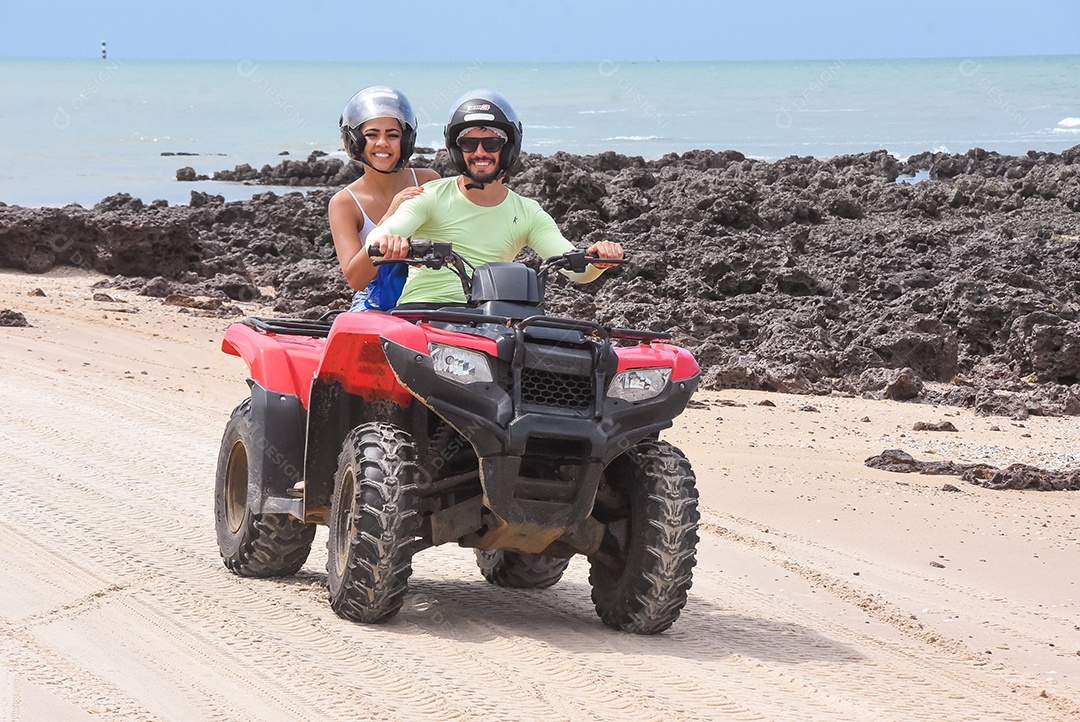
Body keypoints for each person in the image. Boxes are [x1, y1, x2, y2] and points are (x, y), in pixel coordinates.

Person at [367, 89, 622, 307]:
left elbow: (577, 270)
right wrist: (389, 241)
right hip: (425, 316)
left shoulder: (528, 212)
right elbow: (378, 237)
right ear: (457, 150)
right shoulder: (429, 196)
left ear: (508, 147)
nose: (480, 152)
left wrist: (599, 258)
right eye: (468, 143)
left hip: (491, 319)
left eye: (491, 143)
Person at [328, 86, 440, 311]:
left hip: (429, 293)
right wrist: (391, 216)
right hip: (374, 301)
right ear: (355, 140)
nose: (382, 143)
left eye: (393, 135)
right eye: (371, 135)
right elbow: (356, 280)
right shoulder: (345, 203)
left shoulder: (428, 180)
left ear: (406, 141)